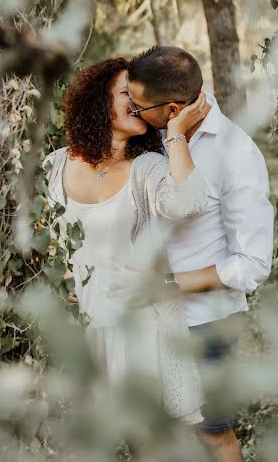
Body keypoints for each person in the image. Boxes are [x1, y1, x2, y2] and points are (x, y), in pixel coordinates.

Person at [120, 46, 274, 462]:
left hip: (206, 321)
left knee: (212, 434)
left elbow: (253, 263)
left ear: (172, 110)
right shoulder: (145, 140)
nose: (132, 111)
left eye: (138, 106)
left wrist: (169, 286)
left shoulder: (236, 155)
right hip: (144, 316)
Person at [43, 57, 209, 424]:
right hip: (78, 334)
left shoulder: (146, 166)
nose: (136, 101)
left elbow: (189, 203)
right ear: (97, 100)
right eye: (125, 93)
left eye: (139, 95)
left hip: (141, 332)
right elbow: (36, 248)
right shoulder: (53, 168)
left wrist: (176, 131)